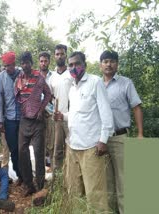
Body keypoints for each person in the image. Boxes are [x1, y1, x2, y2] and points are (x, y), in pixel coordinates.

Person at [54, 51, 114, 212]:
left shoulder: (95, 82)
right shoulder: (72, 88)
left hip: (91, 148)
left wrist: (103, 140)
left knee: (96, 194)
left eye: (77, 64)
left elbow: (106, 114)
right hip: (73, 146)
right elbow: (77, 115)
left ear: (84, 65)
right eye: (71, 65)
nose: (74, 67)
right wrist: (63, 116)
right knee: (74, 191)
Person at [100, 50, 143, 214]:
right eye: (105, 61)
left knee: (124, 181)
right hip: (102, 140)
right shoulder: (97, 84)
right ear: (100, 65)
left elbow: (137, 107)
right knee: (107, 183)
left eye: (111, 61)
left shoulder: (126, 83)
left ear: (117, 64)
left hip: (120, 138)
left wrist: (140, 134)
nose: (108, 64)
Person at [15, 51, 51, 196]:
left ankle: (41, 186)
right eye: (23, 63)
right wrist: (26, 106)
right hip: (24, 120)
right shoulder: (19, 78)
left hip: (37, 121)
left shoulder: (39, 77)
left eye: (27, 62)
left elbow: (48, 94)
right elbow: (16, 95)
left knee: (38, 152)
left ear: (31, 63)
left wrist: (41, 109)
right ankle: (29, 185)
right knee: (22, 152)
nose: (25, 65)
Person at [0, 51, 22, 184]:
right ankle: (19, 174)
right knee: (13, 149)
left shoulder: (22, 74)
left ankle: (25, 176)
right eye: (5, 66)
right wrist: (0, 120)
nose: (7, 68)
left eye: (10, 65)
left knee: (23, 148)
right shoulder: (1, 77)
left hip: (23, 118)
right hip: (10, 119)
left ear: (14, 64)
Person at [48, 44, 72, 171]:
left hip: (72, 118)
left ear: (66, 55)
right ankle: (56, 180)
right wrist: (53, 112)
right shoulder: (52, 77)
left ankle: (71, 179)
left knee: (72, 149)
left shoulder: (71, 74)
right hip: (57, 119)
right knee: (57, 151)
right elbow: (50, 97)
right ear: (54, 56)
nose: (60, 56)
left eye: (62, 54)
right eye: (57, 54)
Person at [38, 51, 55, 170]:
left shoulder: (54, 76)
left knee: (51, 142)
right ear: (39, 62)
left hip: (50, 114)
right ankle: (41, 170)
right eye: (41, 61)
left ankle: (53, 170)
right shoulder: (35, 76)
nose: (43, 63)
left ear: (49, 61)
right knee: (39, 143)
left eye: (45, 61)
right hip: (38, 115)